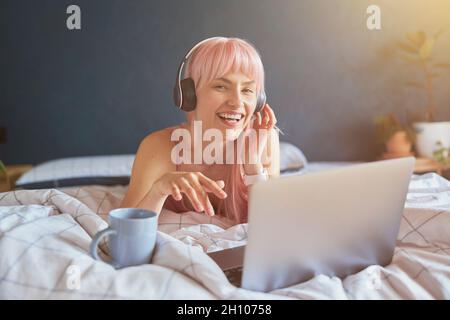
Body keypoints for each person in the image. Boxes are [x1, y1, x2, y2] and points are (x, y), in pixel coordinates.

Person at [120, 37, 280, 224]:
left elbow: (272, 225)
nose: (236, 102)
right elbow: (122, 231)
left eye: (247, 90)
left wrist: (253, 165)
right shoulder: (159, 147)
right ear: (188, 95)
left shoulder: (263, 140)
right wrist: (158, 190)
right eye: (221, 87)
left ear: (259, 100)